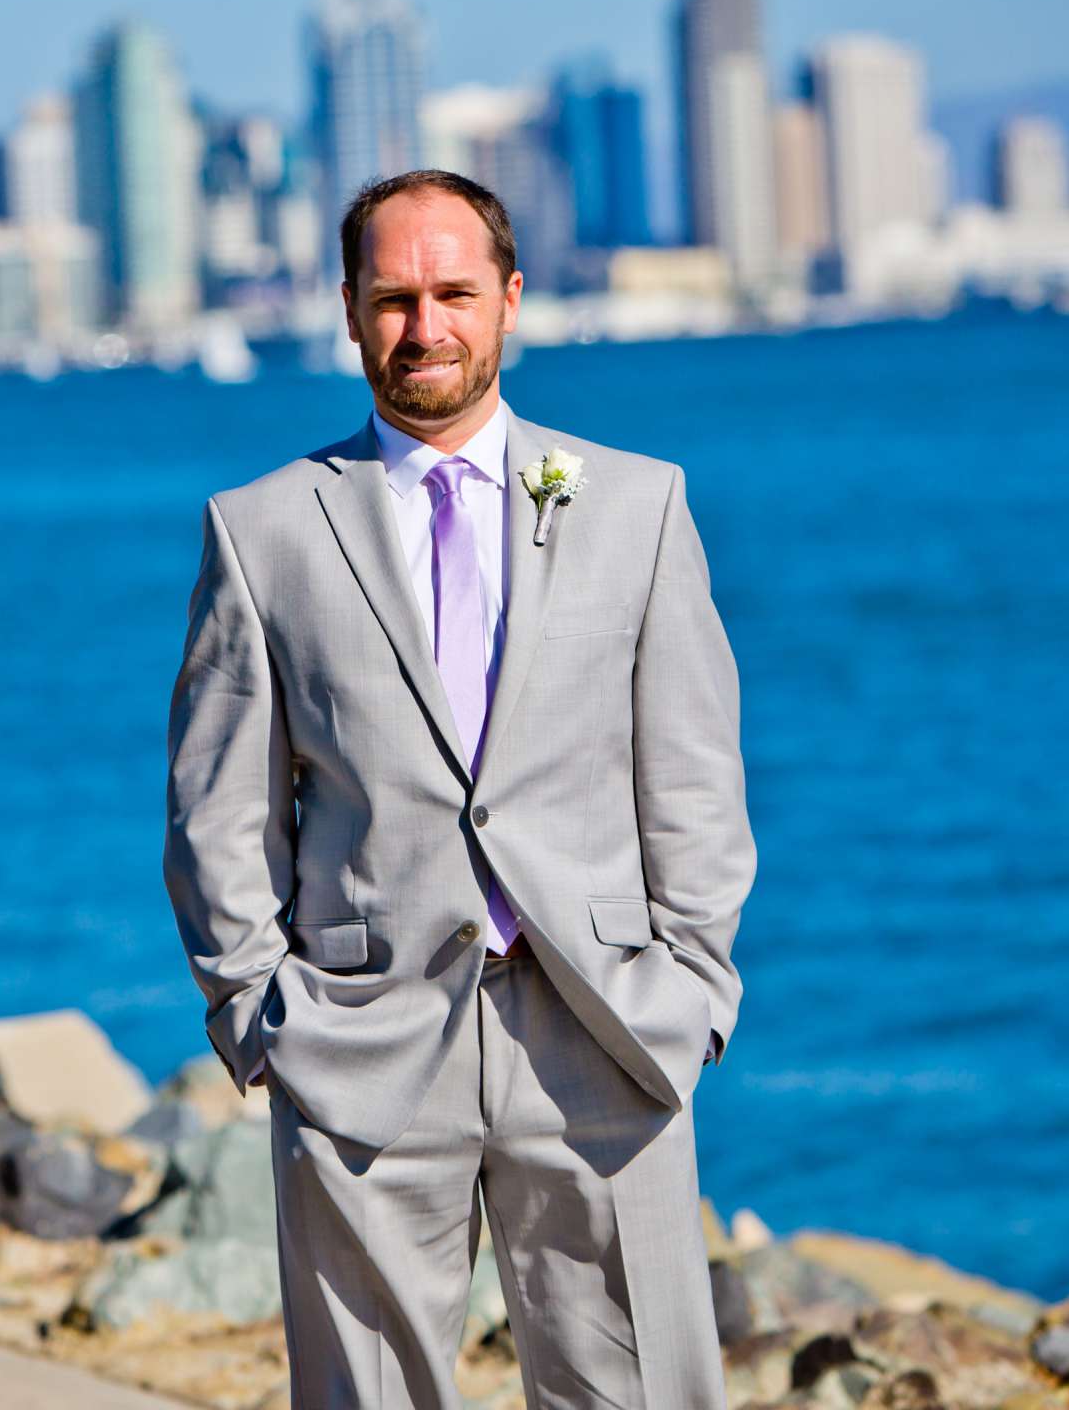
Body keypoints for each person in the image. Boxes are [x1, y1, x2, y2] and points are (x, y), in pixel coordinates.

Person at [163, 171, 756, 1408]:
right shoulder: (261, 528)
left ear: (511, 300)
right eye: (392, 298)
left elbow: (693, 779)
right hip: (360, 1039)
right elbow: (217, 808)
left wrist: (692, 994)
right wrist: (259, 1012)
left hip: (605, 1035)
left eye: (452, 293)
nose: (423, 326)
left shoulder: (638, 506)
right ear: (348, 309)